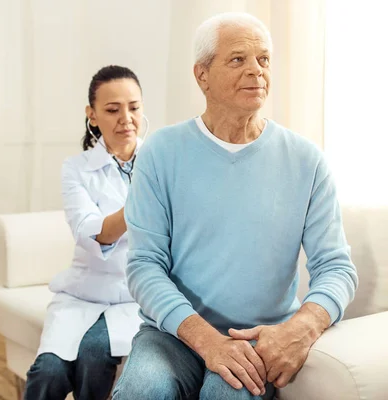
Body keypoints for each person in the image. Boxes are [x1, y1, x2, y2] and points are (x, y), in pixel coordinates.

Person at [112, 12, 358, 400]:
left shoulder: (306, 160)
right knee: (143, 391)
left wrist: (299, 329)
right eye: (238, 59)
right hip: (173, 334)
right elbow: (144, 267)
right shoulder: (161, 152)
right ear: (202, 75)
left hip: (258, 337)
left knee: (224, 395)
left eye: (264, 59)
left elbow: (337, 268)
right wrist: (206, 341)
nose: (256, 71)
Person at [24, 65, 148, 400]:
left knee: (95, 359)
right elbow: (94, 234)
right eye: (112, 109)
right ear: (92, 115)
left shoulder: (160, 161)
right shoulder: (76, 169)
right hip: (83, 293)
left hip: (135, 298)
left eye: (134, 107)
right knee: (47, 371)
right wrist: (145, 195)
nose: (126, 118)